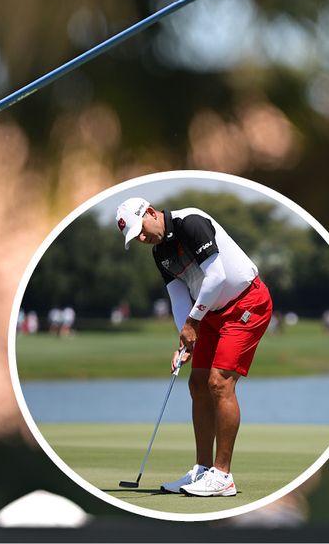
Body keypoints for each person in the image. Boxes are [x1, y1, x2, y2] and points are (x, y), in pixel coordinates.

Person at [116, 196, 273, 498]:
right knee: (197, 383)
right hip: (209, 313)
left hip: (247, 303)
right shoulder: (160, 253)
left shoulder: (191, 222)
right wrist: (184, 338)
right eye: (135, 237)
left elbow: (217, 277)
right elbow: (178, 298)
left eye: (141, 230)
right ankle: (202, 470)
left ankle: (223, 476)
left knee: (219, 382)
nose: (142, 238)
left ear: (150, 212)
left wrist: (193, 322)